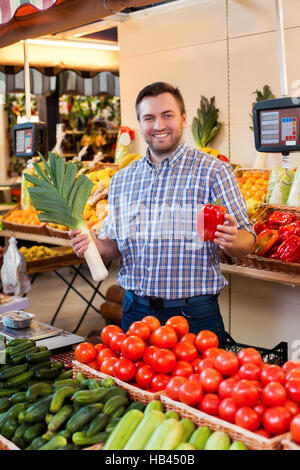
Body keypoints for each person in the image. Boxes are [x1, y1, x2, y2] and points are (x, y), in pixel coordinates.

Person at [69, 82, 255, 347]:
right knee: (137, 389)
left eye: (167, 115)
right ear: (140, 123)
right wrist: (91, 245)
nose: (159, 125)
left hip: (194, 315)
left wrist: (232, 239)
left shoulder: (214, 172)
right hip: (135, 312)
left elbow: (248, 242)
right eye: (149, 118)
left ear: (183, 118)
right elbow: (112, 247)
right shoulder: (123, 180)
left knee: (197, 388)